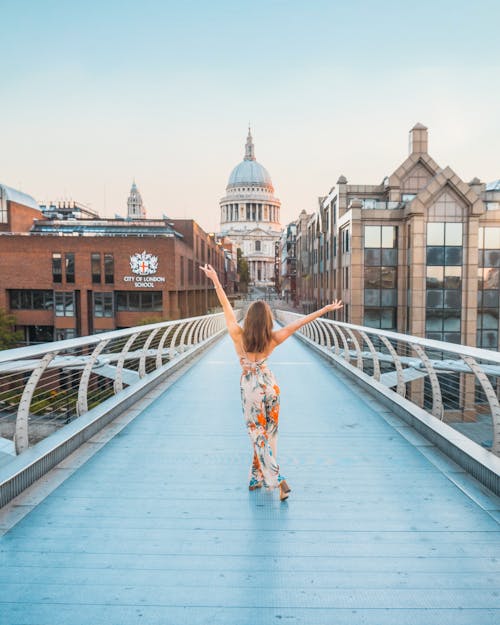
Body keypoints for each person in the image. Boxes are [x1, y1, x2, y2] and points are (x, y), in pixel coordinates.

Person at [200, 263, 343, 501]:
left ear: (248, 318)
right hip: (270, 385)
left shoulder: (237, 335)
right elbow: (299, 323)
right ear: (267, 320)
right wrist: (324, 310)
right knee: (270, 432)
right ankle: (256, 477)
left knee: (256, 432)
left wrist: (215, 280)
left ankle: (277, 479)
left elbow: (225, 304)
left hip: (251, 387)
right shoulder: (274, 338)